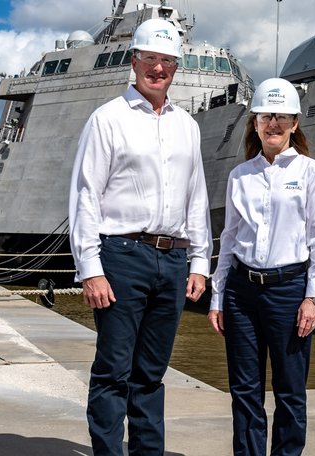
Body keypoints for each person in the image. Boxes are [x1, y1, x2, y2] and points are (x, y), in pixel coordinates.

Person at [68, 18, 212, 456]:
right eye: (150, 58)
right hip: (121, 255)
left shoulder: (187, 124)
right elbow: (85, 195)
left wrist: (200, 263)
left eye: (167, 60)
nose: (158, 68)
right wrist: (90, 269)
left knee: (151, 373)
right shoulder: (107, 119)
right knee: (113, 370)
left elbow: (196, 197)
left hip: (172, 261)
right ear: (134, 61)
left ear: (176, 67)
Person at [208, 77, 315, 456]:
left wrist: (313, 298)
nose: (274, 124)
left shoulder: (312, 173)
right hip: (242, 293)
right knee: (244, 390)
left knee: (289, 389)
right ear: (256, 122)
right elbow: (228, 239)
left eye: (282, 117)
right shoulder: (239, 176)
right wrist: (218, 297)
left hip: (288, 290)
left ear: (295, 123)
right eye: (266, 117)